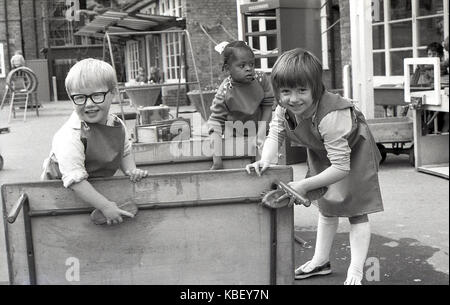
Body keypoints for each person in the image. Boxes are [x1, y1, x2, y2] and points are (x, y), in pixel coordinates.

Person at [245, 48, 384, 285]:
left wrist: (303, 185)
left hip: (355, 151)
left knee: (356, 210)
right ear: (278, 92)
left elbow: (341, 167)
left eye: (302, 90)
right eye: (286, 91)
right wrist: (266, 159)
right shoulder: (284, 108)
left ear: (316, 87)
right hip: (322, 148)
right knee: (327, 204)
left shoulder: (331, 115)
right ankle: (321, 262)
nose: (294, 98)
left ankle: (357, 270)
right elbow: (275, 134)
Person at [41, 58, 148, 225]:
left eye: (97, 95)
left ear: (113, 93)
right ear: (71, 99)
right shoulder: (71, 135)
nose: (89, 104)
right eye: (80, 97)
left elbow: (124, 150)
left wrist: (131, 170)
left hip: (91, 185)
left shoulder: (117, 125)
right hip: (60, 195)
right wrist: (105, 206)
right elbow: (74, 180)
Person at [207, 41, 274, 169]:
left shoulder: (261, 80)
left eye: (251, 64)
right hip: (234, 138)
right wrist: (217, 159)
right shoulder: (225, 91)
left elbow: (267, 107)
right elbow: (215, 122)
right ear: (228, 69)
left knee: (264, 166)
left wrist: (261, 133)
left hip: (259, 133)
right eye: (242, 66)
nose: (249, 68)